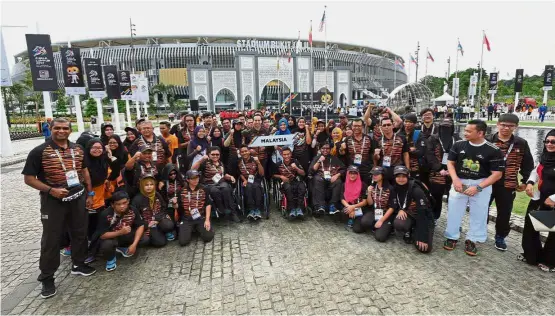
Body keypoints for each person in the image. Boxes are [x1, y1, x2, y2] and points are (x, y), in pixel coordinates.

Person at [22, 117, 96, 299]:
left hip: (77, 197)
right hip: (53, 201)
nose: (61, 131)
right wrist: (51, 190)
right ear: (50, 128)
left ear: (70, 130)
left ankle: (78, 264)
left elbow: (84, 170)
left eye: (65, 128)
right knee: (51, 238)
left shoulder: (77, 149)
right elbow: (29, 179)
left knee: (79, 232)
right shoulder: (39, 151)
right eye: (57, 128)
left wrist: (89, 193)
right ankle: (47, 277)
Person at [443, 119, 504, 256]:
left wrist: (478, 188)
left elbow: (497, 174)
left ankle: (473, 239)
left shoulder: (493, 150)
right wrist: (455, 180)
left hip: (481, 183)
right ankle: (452, 236)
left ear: (480, 133)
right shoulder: (459, 145)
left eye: (469, 131)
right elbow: (450, 163)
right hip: (460, 181)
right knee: (454, 210)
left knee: (479, 213)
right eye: (465, 130)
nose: (465, 133)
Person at [486, 114, 534, 251]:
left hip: (508, 184)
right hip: (487, 182)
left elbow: (528, 164)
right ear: (498, 124)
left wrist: (525, 181)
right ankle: (480, 232)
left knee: (505, 212)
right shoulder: (487, 140)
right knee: (482, 209)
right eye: (503, 125)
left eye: (510, 126)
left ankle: (500, 237)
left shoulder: (521, 143)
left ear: (516, 127)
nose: (506, 128)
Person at [521, 130, 555, 272]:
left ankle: (550, 261)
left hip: (553, 200)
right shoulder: (545, 156)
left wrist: (553, 198)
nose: (549, 144)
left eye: (553, 142)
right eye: (547, 141)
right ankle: (532, 255)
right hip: (540, 197)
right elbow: (537, 170)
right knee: (530, 225)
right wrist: (529, 183)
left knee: (553, 231)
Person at [89, 191, 145, 272]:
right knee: (107, 244)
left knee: (145, 239)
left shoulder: (133, 209)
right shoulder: (105, 214)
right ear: (113, 205)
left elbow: (140, 225)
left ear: (128, 201)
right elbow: (102, 235)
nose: (122, 206)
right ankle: (111, 258)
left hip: (125, 235)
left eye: (124, 203)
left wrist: (134, 244)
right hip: (112, 237)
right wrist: (120, 232)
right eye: (118, 204)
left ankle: (121, 247)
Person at [391, 166, 434, 253]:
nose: (401, 179)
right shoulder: (395, 187)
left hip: (422, 215)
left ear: (408, 176)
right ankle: (409, 229)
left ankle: (417, 230)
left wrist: (423, 236)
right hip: (409, 213)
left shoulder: (415, 189)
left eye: (403, 176)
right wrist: (401, 209)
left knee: (425, 249)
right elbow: (396, 203)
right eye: (398, 176)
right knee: (399, 223)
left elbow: (424, 212)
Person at [192, 146, 240, 222]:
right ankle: (221, 209)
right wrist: (201, 160)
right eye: (213, 154)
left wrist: (230, 177)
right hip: (209, 184)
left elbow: (223, 175)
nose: (215, 156)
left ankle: (232, 213)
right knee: (215, 191)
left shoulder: (221, 163)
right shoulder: (205, 162)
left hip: (221, 183)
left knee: (226, 189)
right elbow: (192, 170)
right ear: (209, 154)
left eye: (217, 154)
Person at [426, 119, 460, 224]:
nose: (445, 129)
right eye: (443, 127)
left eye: (448, 127)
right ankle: (434, 217)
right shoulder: (433, 139)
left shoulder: (457, 139)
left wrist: (453, 170)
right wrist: (439, 168)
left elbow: (462, 155)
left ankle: (454, 220)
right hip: (437, 173)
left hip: (453, 173)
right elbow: (429, 154)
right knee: (436, 197)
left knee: (455, 198)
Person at [132, 174, 175, 247]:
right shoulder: (137, 199)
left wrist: (157, 219)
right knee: (160, 243)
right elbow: (135, 218)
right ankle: (155, 234)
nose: (149, 187)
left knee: (169, 225)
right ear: (142, 186)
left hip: (158, 219)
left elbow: (163, 208)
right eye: (146, 185)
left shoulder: (157, 194)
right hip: (148, 224)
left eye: (151, 184)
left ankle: (161, 231)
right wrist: (146, 225)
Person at [354, 166, 395, 242]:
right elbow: (370, 203)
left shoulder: (390, 188)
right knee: (364, 223)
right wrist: (369, 193)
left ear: (383, 175)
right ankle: (376, 225)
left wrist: (381, 220)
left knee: (380, 237)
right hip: (375, 211)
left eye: (377, 174)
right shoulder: (372, 186)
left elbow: (392, 207)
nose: (374, 176)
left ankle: (389, 227)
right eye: (373, 174)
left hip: (386, 214)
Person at [176, 170, 215, 246]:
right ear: (187, 179)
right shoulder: (181, 191)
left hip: (200, 217)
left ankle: (199, 228)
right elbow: (178, 207)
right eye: (193, 178)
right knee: (183, 242)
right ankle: (191, 228)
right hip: (187, 218)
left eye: (197, 178)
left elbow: (208, 204)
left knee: (208, 237)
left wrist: (207, 220)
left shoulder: (204, 189)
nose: (195, 180)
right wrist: (174, 204)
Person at [310, 142, 346, 215]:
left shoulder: (334, 158)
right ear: (320, 149)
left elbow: (344, 169)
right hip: (320, 178)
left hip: (332, 178)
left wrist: (337, 175)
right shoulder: (317, 158)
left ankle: (333, 206)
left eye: (327, 148)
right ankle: (320, 206)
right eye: (323, 148)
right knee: (317, 179)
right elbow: (311, 170)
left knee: (338, 181)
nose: (325, 150)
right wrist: (319, 161)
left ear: (330, 149)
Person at [273, 147, 307, 219]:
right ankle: (291, 209)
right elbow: (273, 175)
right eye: (284, 154)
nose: (286, 156)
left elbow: (303, 173)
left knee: (302, 187)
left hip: (296, 181)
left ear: (291, 154)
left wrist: (297, 168)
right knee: (288, 187)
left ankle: (299, 208)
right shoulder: (278, 164)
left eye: (288, 154)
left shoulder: (296, 162)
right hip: (285, 183)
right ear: (281, 155)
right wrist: (281, 176)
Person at [372, 117, 409, 182]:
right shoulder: (378, 140)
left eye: (388, 124)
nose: (386, 127)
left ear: (393, 125)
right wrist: (375, 156)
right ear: (381, 127)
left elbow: (405, 154)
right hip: (383, 169)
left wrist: (408, 169)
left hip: (398, 169)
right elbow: (375, 158)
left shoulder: (402, 138)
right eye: (384, 125)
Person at [341, 118, 375, 184]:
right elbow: (343, 154)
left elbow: (372, 153)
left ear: (362, 127)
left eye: (359, 126)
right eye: (355, 126)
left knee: (365, 189)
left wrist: (374, 166)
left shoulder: (368, 138)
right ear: (352, 126)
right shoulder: (347, 139)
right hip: (352, 169)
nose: (356, 128)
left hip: (366, 168)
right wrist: (341, 149)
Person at [238, 145, 265, 220]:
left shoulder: (255, 159)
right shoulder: (239, 161)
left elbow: (262, 174)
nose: (244, 153)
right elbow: (239, 173)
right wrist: (244, 180)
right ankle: (251, 209)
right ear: (240, 153)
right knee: (248, 187)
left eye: (246, 151)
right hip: (245, 180)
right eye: (242, 152)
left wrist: (258, 163)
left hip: (255, 179)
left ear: (249, 151)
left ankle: (257, 209)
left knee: (256, 186)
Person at [399, 113, 426, 180]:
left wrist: (406, 150)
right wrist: (410, 149)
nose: (407, 124)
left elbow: (420, 152)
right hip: (401, 165)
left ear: (414, 123)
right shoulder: (399, 134)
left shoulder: (419, 134)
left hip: (415, 166)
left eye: (410, 122)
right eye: (406, 121)